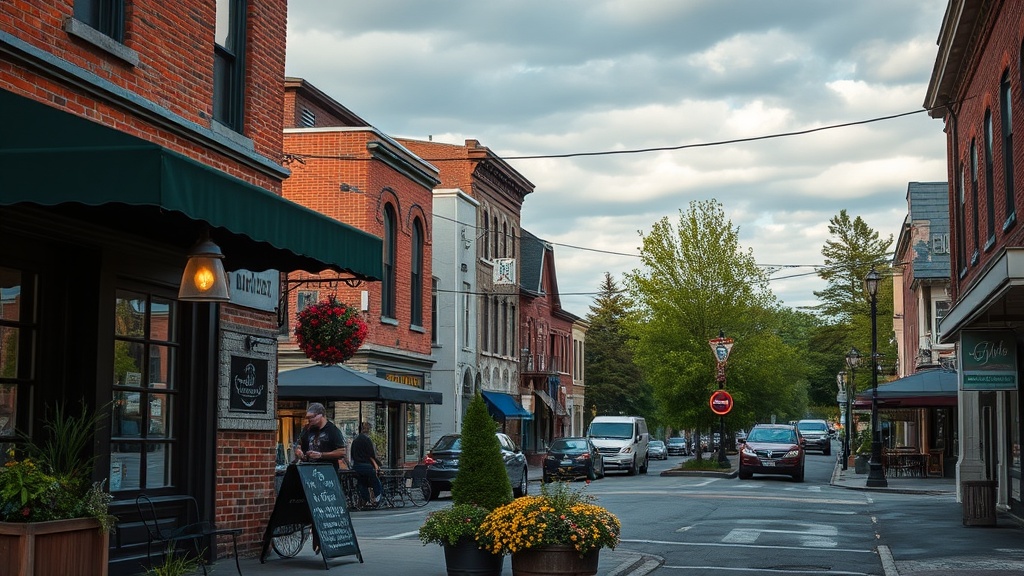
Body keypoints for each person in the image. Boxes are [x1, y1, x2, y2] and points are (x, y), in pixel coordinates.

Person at [294, 403, 347, 471]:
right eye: (308, 418)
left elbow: (342, 452)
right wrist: (298, 451)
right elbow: (298, 445)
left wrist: (321, 455)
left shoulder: (332, 430)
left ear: (321, 415)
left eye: (312, 417)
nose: (310, 420)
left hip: (327, 472)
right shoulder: (307, 428)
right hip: (308, 471)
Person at [350, 421, 384, 506]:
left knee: (362, 482)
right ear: (367, 430)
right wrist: (378, 464)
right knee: (375, 481)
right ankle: (377, 496)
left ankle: (365, 499)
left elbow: (352, 455)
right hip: (366, 465)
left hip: (357, 466)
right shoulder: (367, 440)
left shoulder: (355, 441)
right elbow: (371, 455)